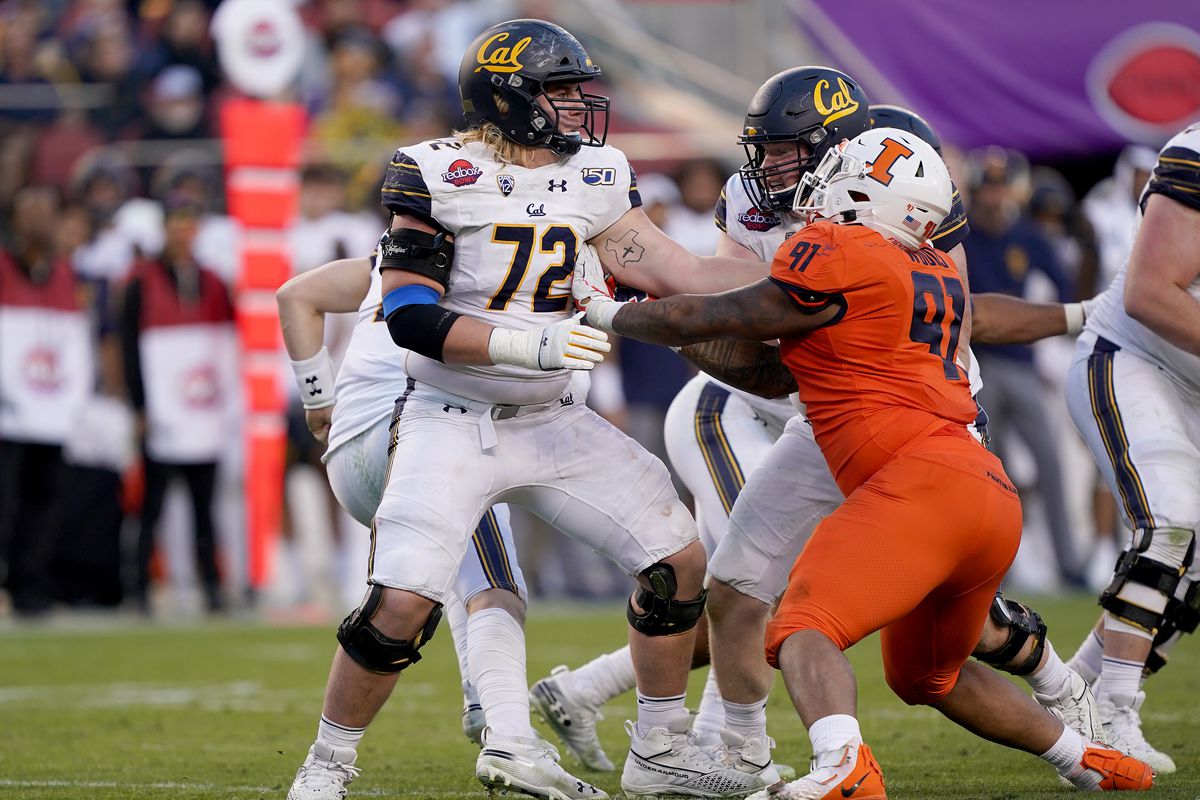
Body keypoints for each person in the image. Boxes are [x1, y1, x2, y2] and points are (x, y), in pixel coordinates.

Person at [533, 83, 1099, 776]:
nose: (766, 166)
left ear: (842, 157)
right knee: (749, 587)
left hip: (903, 431)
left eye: (784, 150)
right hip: (832, 418)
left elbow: (735, 315)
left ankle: (1069, 710)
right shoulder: (829, 222)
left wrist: (611, 312)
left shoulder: (858, 232)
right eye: (764, 148)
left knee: (878, 619)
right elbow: (733, 314)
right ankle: (742, 750)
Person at [285, 19, 765, 800]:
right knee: (401, 602)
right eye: (561, 90)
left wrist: (787, 280)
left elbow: (673, 270)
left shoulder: (597, 172)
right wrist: (529, 348)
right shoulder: (436, 172)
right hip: (450, 414)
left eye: (579, 89)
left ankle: (657, 749)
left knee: (681, 563)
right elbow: (409, 317)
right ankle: (326, 767)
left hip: (549, 421)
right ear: (509, 96)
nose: (579, 105)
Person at [277, 248, 599, 800]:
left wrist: (316, 399)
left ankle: (480, 704)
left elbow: (294, 295)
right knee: (493, 588)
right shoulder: (495, 260)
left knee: (442, 572)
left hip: (351, 454)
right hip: (413, 433)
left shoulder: (391, 261)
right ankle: (508, 736)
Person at [1063, 122, 1200, 775]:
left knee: (1195, 567)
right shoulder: (1196, 151)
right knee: (1171, 522)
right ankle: (1116, 717)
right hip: (1135, 358)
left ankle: (1073, 696)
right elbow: (1152, 292)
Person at [963, 147, 1084, 587]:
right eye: (988, 187)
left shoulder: (1030, 236)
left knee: (1050, 462)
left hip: (1022, 362)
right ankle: (1000, 567)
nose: (995, 196)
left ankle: (1070, 564)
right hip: (979, 365)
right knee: (991, 467)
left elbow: (1065, 289)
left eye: (1000, 187)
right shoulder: (963, 235)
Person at [120, 196, 235, 614]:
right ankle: (137, 588)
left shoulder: (212, 281)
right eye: (175, 226)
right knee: (152, 503)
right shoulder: (141, 281)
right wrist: (140, 407)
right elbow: (130, 349)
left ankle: (212, 586)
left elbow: (226, 343)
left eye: (189, 226)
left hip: (201, 409)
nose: (182, 234)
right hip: (163, 410)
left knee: (204, 505)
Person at [0, 186, 92, 615]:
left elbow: (76, 343)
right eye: (29, 211)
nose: (38, 220)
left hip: (51, 410)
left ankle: (30, 587)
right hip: (8, 414)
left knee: (44, 504)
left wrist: (72, 400)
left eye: (45, 212)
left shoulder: (63, 275)